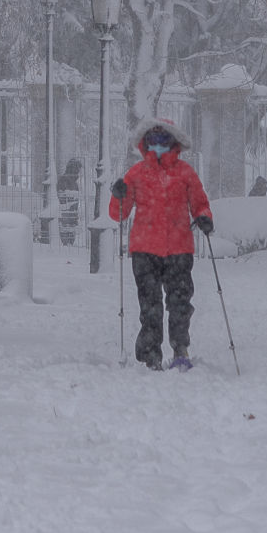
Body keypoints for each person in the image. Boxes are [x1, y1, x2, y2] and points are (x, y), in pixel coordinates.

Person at [108, 118, 213, 370]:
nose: (157, 146)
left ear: (173, 143)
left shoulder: (185, 172)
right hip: (145, 250)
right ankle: (150, 353)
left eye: (163, 140)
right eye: (152, 141)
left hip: (179, 248)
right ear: (145, 144)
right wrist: (118, 194)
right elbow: (119, 214)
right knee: (150, 303)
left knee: (179, 303)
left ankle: (180, 348)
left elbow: (200, 202)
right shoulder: (136, 174)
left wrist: (204, 217)